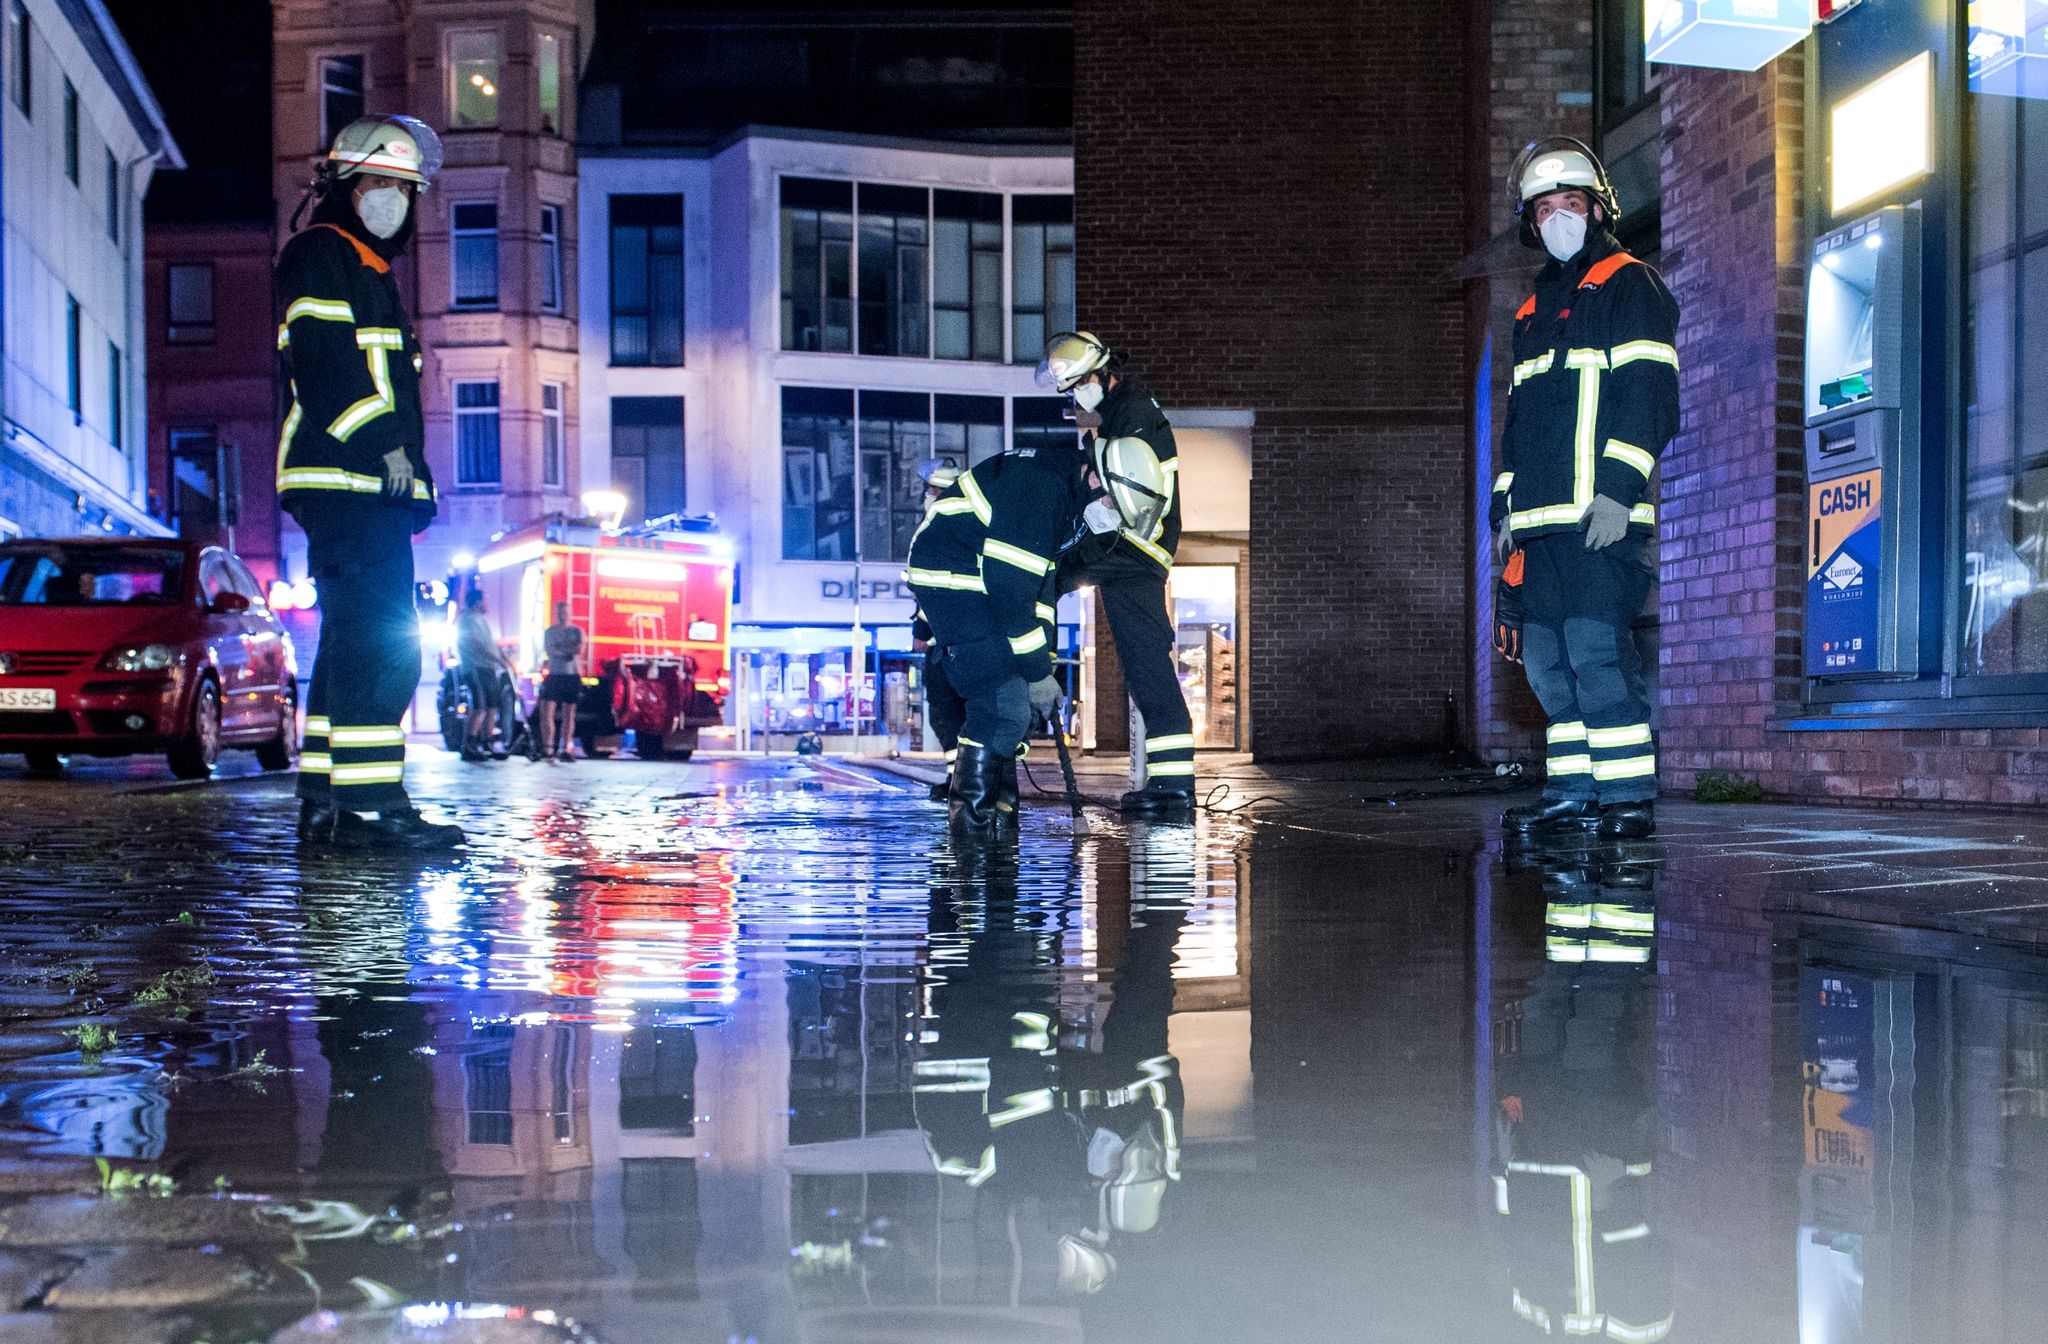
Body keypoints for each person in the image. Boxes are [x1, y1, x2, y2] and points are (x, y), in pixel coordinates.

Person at [279, 114, 462, 850]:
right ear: (344, 188)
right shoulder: (325, 255)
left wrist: (410, 480)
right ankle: (368, 809)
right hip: (352, 480)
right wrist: (389, 451)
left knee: (350, 641)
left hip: (362, 488)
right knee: (382, 646)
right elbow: (326, 363)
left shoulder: (365, 268)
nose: (395, 199)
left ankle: (326, 799)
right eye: (380, 184)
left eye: (404, 188)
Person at [1491, 138, 1679, 841]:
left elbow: (1649, 395)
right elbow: (1519, 423)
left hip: (1600, 522)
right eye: (1544, 209)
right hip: (1539, 530)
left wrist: (1619, 490)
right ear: (1530, 224)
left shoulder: (1632, 284)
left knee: (1596, 655)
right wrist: (1504, 509)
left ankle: (1626, 798)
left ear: (1598, 209)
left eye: (1570, 203)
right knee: (1548, 665)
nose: (1558, 218)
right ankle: (1573, 791)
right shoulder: (1530, 311)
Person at [1039, 332, 1196, 817]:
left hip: (1132, 550)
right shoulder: (1118, 414)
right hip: (1126, 550)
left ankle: (1173, 787)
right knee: (1142, 664)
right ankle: (1171, 783)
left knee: (1146, 665)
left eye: (1080, 384)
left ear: (1102, 372)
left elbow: (1134, 486)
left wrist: (1101, 500)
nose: (1076, 396)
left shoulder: (1132, 413)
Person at [905, 443, 1084, 838]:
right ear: (1097, 479)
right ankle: (973, 833)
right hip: (961, 579)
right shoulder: (1046, 490)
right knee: (1003, 705)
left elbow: (1041, 596)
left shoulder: (1061, 502)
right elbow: (1012, 590)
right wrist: (1037, 675)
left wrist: (1043, 664)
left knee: (1013, 706)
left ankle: (1000, 821)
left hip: (972, 582)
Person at [913, 462, 968, 803]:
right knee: (953, 715)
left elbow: (930, 589)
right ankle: (957, 776)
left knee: (947, 714)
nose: (926, 495)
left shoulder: (937, 529)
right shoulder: (965, 526)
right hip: (958, 642)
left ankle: (961, 778)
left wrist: (921, 629)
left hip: (946, 644)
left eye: (931, 490)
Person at [455, 589, 514, 762]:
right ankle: (469, 744)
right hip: (475, 668)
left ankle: (488, 741)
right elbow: (476, 644)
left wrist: (503, 658)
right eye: (485, 600)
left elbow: (490, 644)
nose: (487, 604)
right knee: (480, 705)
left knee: (491, 705)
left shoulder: (482, 621)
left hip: (488, 668)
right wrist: (497, 658)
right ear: (477, 602)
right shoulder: (466, 620)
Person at [538, 602, 585, 762]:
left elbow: (578, 649)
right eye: (559, 613)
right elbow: (550, 649)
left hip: (571, 675)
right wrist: (566, 649)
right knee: (547, 712)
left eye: (565, 612)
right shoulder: (550, 631)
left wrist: (561, 648)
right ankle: (548, 747)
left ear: (570, 613)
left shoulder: (577, 631)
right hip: (554, 675)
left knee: (569, 713)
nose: (562, 615)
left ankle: (565, 748)